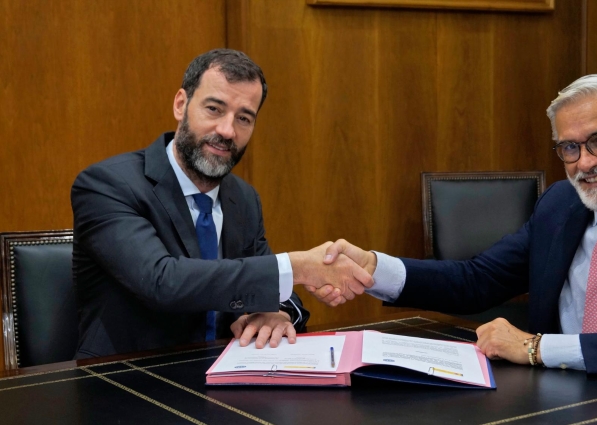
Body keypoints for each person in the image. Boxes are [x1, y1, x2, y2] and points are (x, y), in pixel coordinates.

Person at [309, 74, 597, 388]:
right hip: (563, 396)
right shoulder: (561, 205)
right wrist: (373, 269)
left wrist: (537, 348)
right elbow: (477, 280)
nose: (585, 163)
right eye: (569, 147)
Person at [71, 49, 372, 359]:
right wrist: (299, 267)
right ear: (181, 104)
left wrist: (277, 313)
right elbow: (162, 282)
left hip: (224, 376)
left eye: (243, 118)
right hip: (128, 384)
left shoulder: (242, 198)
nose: (228, 131)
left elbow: (269, 281)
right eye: (214, 109)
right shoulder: (108, 184)